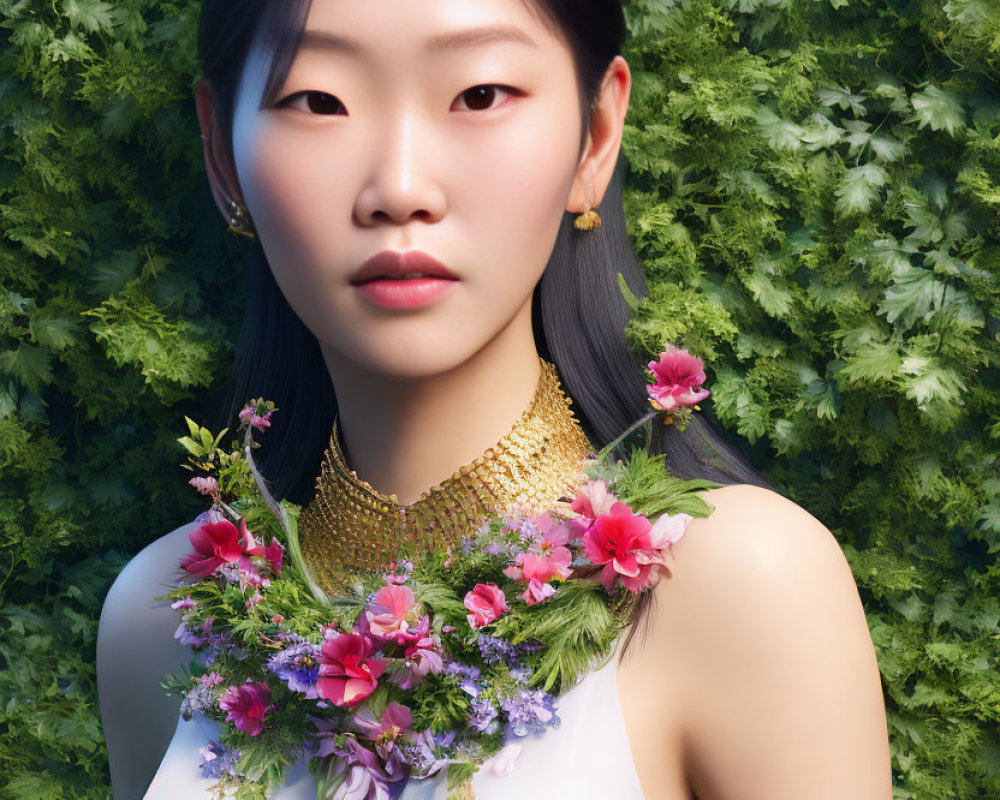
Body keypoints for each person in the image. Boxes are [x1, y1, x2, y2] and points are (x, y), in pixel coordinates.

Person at [97, 0, 893, 798]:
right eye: (318, 100)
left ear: (597, 132)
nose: (399, 189)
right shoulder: (160, 619)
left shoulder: (743, 585)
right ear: (222, 155)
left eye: (480, 95)